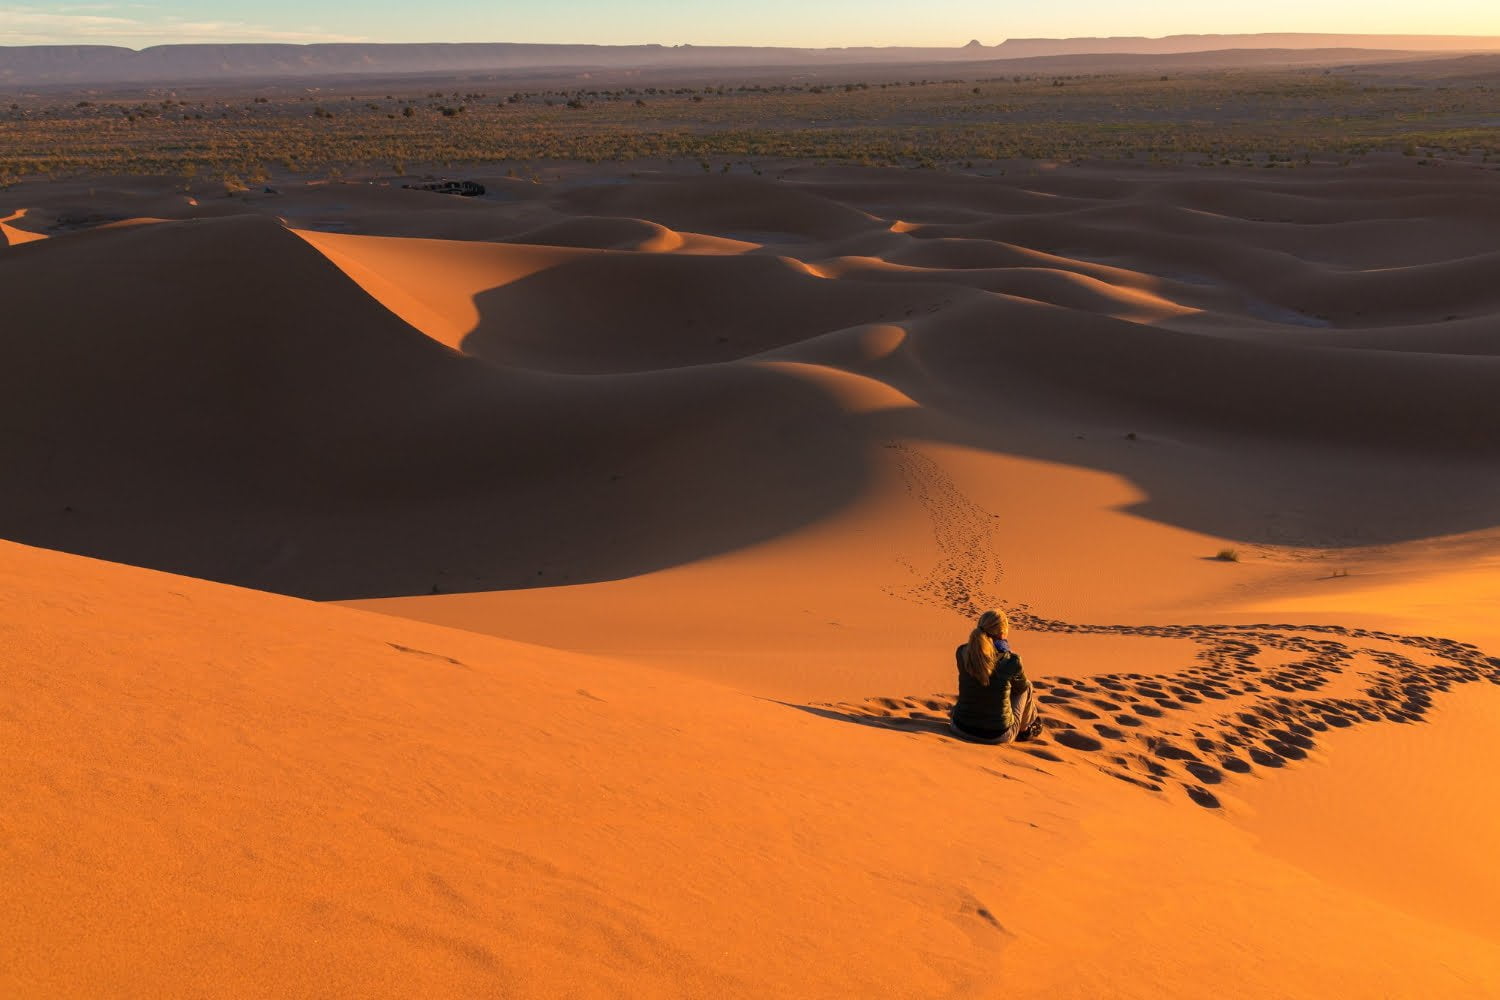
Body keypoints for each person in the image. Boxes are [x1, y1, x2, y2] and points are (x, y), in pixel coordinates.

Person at [950, 609, 1042, 744]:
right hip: (996, 735)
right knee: (1027, 686)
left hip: (959, 727)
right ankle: (1025, 730)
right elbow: (1020, 688)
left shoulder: (962, 652)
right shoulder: (1012, 660)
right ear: (1002, 633)